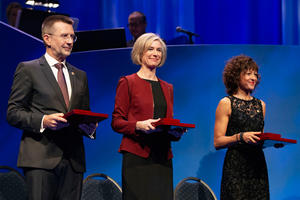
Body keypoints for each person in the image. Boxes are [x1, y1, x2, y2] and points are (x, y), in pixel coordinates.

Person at [6, 15, 97, 200]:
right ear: (47, 38)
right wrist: (43, 121)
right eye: (64, 36)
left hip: (74, 161)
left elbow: (84, 114)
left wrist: (90, 128)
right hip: (40, 159)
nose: (70, 41)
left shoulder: (80, 75)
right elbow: (13, 113)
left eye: (72, 37)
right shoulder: (28, 69)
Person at [112, 33, 185, 200]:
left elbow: (166, 122)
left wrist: (175, 132)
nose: (155, 53)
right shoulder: (128, 82)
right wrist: (138, 125)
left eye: (159, 50)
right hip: (137, 156)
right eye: (150, 49)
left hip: (162, 157)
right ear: (140, 52)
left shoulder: (168, 87)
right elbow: (116, 122)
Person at [214, 55, 269, 200]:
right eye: (248, 73)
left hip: (257, 167)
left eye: (255, 74)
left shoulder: (261, 105)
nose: (253, 78)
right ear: (236, 76)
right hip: (236, 167)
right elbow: (217, 142)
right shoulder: (226, 103)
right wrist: (240, 137)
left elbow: (259, 138)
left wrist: (271, 142)